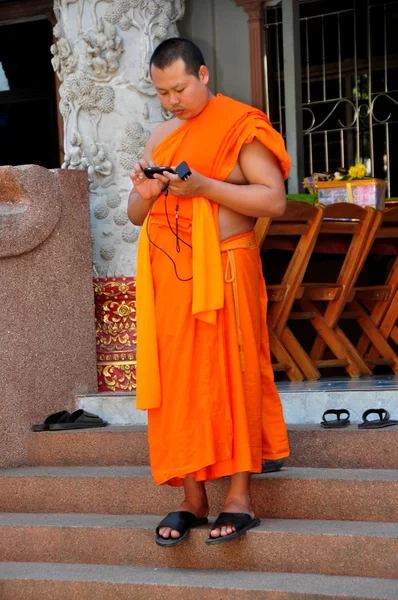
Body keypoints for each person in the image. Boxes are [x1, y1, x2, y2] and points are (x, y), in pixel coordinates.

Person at [128, 38, 291, 547]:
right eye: (162, 92)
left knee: (232, 373)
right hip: (171, 276)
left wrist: (204, 188)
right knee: (179, 383)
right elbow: (135, 214)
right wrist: (148, 193)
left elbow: (273, 200)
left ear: (202, 74)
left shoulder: (241, 125)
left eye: (179, 88)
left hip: (224, 267)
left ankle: (238, 498)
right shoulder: (163, 135)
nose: (172, 100)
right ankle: (192, 499)